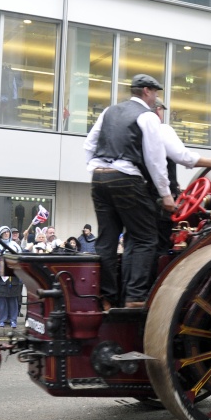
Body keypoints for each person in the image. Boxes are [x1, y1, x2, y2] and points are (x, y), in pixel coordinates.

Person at [83, 73, 174, 310]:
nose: (156, 97)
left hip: (99, 177)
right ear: (146, 91)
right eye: (155, 92)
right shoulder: (148, 116)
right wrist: (166, 195)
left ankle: (105, 297)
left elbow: (89, 144)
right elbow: (156, 160)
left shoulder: (109, 111)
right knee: (145, 237)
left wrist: (95, 169)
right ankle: (135, 297)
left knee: (106, 240)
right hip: (126, 178)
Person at [151, 100, 211, 252]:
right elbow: (183, 156)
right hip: (159, 202)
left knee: (138, 243)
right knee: (158, 246)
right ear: (158, 110)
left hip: (135, 199)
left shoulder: (132, 129)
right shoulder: (161, 129)